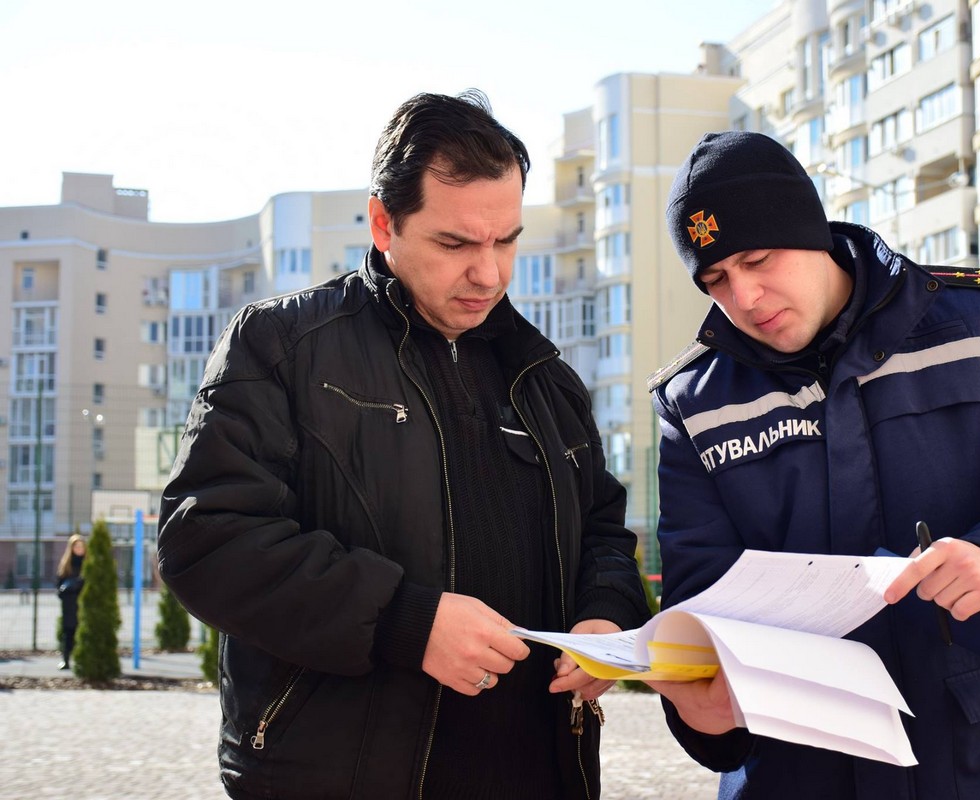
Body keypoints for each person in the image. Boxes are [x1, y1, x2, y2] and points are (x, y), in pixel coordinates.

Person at [158, 90, 650, 800]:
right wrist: (404, 622)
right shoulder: (280, 347)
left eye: (506, 240)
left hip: (541, 774)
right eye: (456, 243)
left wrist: (606, 619)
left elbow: (603, 528)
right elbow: (205, 540)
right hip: (344, 778)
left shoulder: (548, 381)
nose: (490, 273)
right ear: (384, 222)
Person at [646, 130, 980, 799]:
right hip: (799, 770)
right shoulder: (694, 404)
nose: (746, 297)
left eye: (759, 259)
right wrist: (703, 711)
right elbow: (697, 599)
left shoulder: (969, 325)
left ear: (811, 228)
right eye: (716, 279)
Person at [55, 534, 87, 670]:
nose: (79, 549)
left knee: (83, 633)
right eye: (76, 546)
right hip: (69, 605)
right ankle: (66, 660)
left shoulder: (88, 564)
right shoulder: (65, 565)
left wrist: (79, 584)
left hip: (83, 605)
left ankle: (82, 661)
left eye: (81, 546)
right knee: (68, 633)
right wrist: (66, 589)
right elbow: (59, 585)